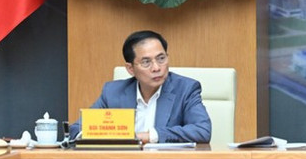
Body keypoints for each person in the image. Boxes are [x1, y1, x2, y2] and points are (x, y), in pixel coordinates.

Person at [69, 30, 211, 143]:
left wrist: (148, 136)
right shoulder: (113, 92)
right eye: (146, 62)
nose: (156, 68)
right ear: (130, 69)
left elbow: (202, 130)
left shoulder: (185, 89)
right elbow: (77, 130)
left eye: (161, 59)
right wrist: (100, 134)